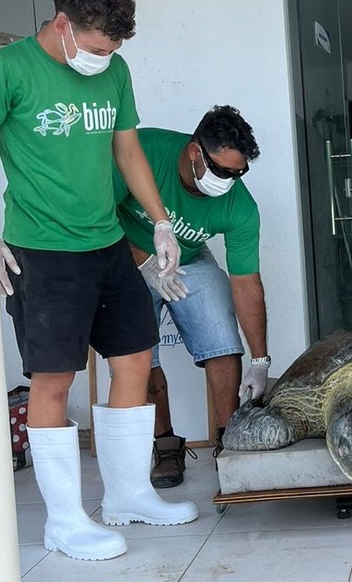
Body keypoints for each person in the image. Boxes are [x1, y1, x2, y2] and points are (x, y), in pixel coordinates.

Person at [0, 0, 198, 562]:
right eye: (100, 47)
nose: (107, 59)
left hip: (105, 244)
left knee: (133, 359)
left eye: (116, 49)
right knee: (55, 378)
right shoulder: (5, 70)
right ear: (63, 27)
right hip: (42, 249)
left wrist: (160, 221)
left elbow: (126, 147)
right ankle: (65, 522)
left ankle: (128, 496)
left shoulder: (115, 71)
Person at [112, 106, 269, 488]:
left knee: (220, 335)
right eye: (222, 171)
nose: (229, 181)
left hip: (189, 258)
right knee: (137, 352)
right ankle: (165, 445)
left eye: (238, 173)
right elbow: (97, 216)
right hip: (121, 251)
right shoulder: (144, 149)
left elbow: (246, 283)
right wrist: (146, 262)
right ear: (195, 152)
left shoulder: (239, 206)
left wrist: (261, 359)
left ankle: (228, 441)